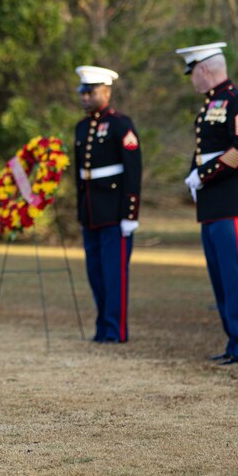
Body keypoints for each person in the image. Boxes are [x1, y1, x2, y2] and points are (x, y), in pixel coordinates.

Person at [176, 43, 238, 365]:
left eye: (192, 74)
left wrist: (203, 174)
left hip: (236, 205)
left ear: (203, 70)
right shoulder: (211, 105)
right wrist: (194, 173)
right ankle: (235, 344)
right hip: (215, 205)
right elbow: (205, 149)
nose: (191, 81)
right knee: (222, 281)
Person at [72, 66, 142, 344]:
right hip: (91, 211)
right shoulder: (81, 126)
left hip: (114, 212)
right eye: (83, 92)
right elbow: (80, 174)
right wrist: (80, 211)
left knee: (114, 274)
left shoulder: (120, 124)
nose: (85, 98)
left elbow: (133, 171)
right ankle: (102, 326)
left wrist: (130, 213)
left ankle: (115, 329)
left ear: (107, 92)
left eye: (91, 92)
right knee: (96, 273)